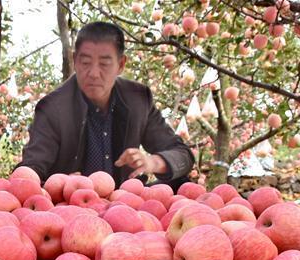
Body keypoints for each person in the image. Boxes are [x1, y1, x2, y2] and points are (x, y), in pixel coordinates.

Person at [19, 21, 194, 188]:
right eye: (86, 62)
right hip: (72, 204)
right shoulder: (53, 107)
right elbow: (32, 167)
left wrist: (153, 162)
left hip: (125, 201)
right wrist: (58, 185)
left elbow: (182, 154)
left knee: (182, 183)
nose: (94, 73)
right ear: (75, 61)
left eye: (104, 64)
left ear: (121, 65)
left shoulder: (138, 99)